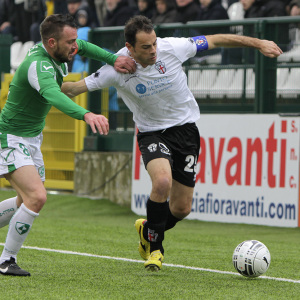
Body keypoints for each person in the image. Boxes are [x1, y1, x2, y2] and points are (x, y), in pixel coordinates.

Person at [61, 15, 282, 272]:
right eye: (145, 47)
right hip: (152, 133)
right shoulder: (116, 68)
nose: (153, 50)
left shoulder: (172, 48)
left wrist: (259, 43)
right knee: (162, 181)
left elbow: (217, 39)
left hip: (186, 132)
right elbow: (73, 88)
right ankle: (155, 250)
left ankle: (148, 228)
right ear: (130, 47)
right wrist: (39, 82)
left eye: (154, 43)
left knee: (181, 208)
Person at [0, 13, 135, 277]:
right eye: (70, 42)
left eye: (75, 40)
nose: (76, 47)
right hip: (10, 138)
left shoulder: (57, 50)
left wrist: (113, 58)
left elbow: (85, 47)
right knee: (37, 197)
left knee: (22, 202)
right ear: (52, 42)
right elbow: (54, 95)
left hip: (31, 138)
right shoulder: (39, 66)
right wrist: (87, 114)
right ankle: (7, 260)